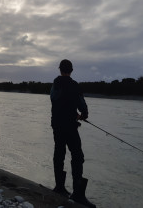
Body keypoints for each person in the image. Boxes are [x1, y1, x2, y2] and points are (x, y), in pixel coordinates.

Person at [50, 59, 96, 208]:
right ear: (72, 70)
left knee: (59, 153)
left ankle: (59, 187)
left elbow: (55, 99)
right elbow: (82, 106)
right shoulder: (75, 86)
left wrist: (69, 110)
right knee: (77, 156)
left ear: (60, 69)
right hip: (69, 126)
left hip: (57, 125)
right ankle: (78, 194)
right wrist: (82, 114)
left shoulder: (55, 83)